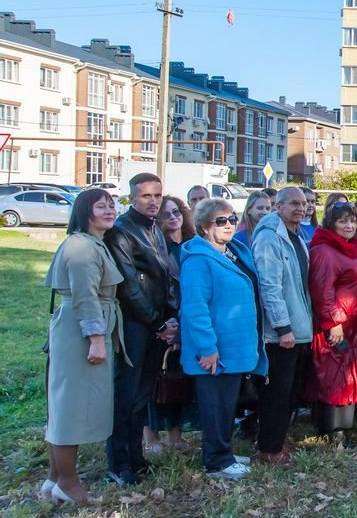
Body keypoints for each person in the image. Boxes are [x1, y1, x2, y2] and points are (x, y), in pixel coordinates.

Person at [42, 189, 123, 504]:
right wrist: (96, 339)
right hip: (81, 332)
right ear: (83, 211)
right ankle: (68, 482)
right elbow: (85, 296)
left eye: (111, 205)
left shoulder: (92, 244)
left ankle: (55, 479)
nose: (109, 210)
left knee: (66, 405)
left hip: (80, 327)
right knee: (70, 408)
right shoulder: (80, 246)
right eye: (100, 206)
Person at [179, 198, 268, 479]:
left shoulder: (234, 253)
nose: (229, 224)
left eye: (231, 218)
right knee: (215, 406)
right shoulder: (198, 260)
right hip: (215, 349)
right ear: (204, 227)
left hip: (235, 346)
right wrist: (207, 347)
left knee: (227, 404)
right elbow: (195, 308)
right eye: (221, 220)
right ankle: (216, 461)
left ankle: (222, 451)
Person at [105, 173, 179, 486]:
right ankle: (119, 463)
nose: (153, 201)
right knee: (126, 395)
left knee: (141, 396)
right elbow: (127, 286)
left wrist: (170, 318)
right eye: (146, 196)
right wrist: (157, 322)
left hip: (156, 325)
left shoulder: (155, 230)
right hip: (134, 325)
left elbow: (164, 277)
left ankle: (135, 457)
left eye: (157, 196)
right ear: (132, 197)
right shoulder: (121, 230)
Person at [250, 187, 313, 466]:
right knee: (277, 392)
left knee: (290, 392)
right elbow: (269, 286)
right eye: (294, 204)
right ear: (278, 206)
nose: (301, 208)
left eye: (304, 204)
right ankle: (269, 449)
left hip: (300, 326)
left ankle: (277, 441)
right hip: (281, 333)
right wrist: (283, 327)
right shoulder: (269, 237)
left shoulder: (297, 235)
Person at [307, 202, 357, 448]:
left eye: (352, 221)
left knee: (349, 376)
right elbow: (321, 289)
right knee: (333, 377)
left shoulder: (352, 249)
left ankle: (344, 429)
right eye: (342, 221)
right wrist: (332, 322)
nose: (349, 226)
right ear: (331, 223)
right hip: (337, 325)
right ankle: (332, 431)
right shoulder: (324, 250)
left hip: (356, 324)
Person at [145, 195, 196, 455]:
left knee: (179, 378)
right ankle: (151, 436)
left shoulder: (191, 245)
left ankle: (175, 435)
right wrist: (167, 320)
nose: (173, 217)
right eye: (167, 214)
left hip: (188, 317)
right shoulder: (156, 247)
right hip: (164, 319)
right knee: (157, 380)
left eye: (176, 212)